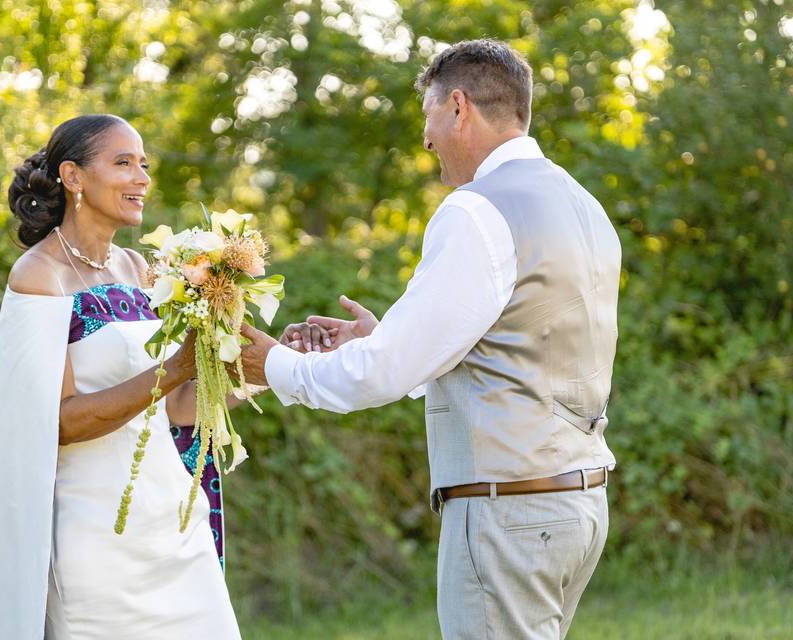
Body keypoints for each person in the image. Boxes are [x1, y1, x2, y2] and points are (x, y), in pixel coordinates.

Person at [243, 39, 621, 640]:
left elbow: (382, 373)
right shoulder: (581, 205)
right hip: (574, 505)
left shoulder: (477, 210)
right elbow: (518, 347)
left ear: (458, 108)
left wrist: (277, 366)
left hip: (507, 510)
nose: (425, 138)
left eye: (427, 116)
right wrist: (386, 338)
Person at [0, 114, 240, 639]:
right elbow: (55, 424)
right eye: (123, 163)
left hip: (172, 521)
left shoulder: (143, 272)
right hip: (96, 536)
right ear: (73, 176)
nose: (142, 176)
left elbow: (179, 408)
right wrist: (176, 368)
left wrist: (240, 360)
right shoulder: (39, 276)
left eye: (143, 163)